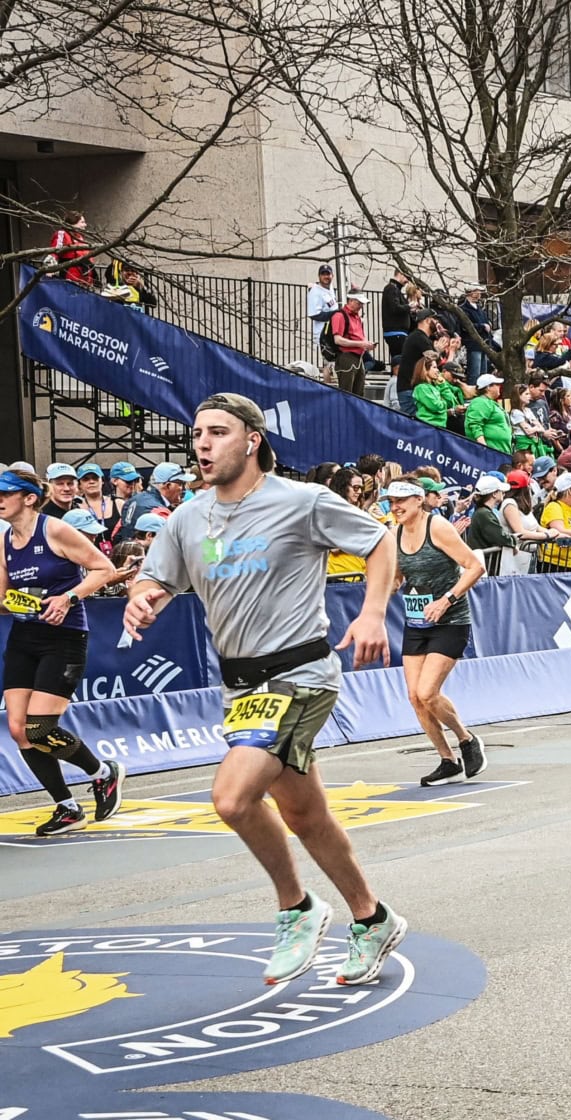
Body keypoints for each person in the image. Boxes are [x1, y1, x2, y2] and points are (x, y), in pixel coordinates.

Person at [124, 392, 408, 986]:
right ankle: (372, 917)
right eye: (197, 433)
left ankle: (296, 908)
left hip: (301, 674)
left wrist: (373, 612)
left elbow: (380, 542)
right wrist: (142, 601)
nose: (202, 444)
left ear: (252, 439)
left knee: (231, 798)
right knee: (305, 815)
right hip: (241, 687)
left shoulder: (299, 501)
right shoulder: (186, 518)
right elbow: (155, 578)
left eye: (218, 432)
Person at [1, 468, 125, 836]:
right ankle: (67, 807)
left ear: (27, 497)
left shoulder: (53, 529)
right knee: (19, 730)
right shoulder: (5, 540)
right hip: (25, 637)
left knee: (40, 728)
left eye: (5, 493)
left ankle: (104, 773)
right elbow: (3, 599)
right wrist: (18, 603)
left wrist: (69, 597)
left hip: (65, 637)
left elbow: (105, 568)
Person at [389, 479, 487, 786]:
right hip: (417, 622)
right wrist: (382, 588)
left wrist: (446, 600)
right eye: (391, 501)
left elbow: (474, 567)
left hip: (450, 620)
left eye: (401, 500)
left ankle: (467, 740)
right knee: (415, 698)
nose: (395, 506)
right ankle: (448, 760)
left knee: (427, 692)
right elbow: (397, 577)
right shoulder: (394, 534)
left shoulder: (439, 527)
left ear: (419, 501)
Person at [466, 373, 513, 454]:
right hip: (489, 455)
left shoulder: (491, 403)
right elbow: (474, 425)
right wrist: (484, 448)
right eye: (497, 385)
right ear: (488, 387)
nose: (499, 387)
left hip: (501, 453)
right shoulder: (480, 402)